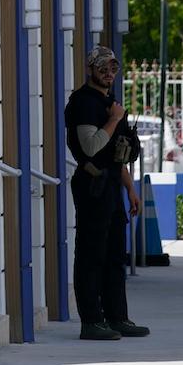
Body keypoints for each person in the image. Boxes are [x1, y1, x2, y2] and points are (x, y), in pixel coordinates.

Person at [65, 45, 150, 341]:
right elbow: (90, 148)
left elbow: (117, 154)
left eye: (113, 68)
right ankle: (91, 321)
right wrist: (114, 119)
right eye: (103, 68)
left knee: (115, 254)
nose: (108, 73)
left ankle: (117, 317)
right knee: (91, 254)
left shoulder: (110, 102)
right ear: (91, 69)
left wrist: (130, 189)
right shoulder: (84, 102)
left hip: (112, 184)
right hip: (92, 185)